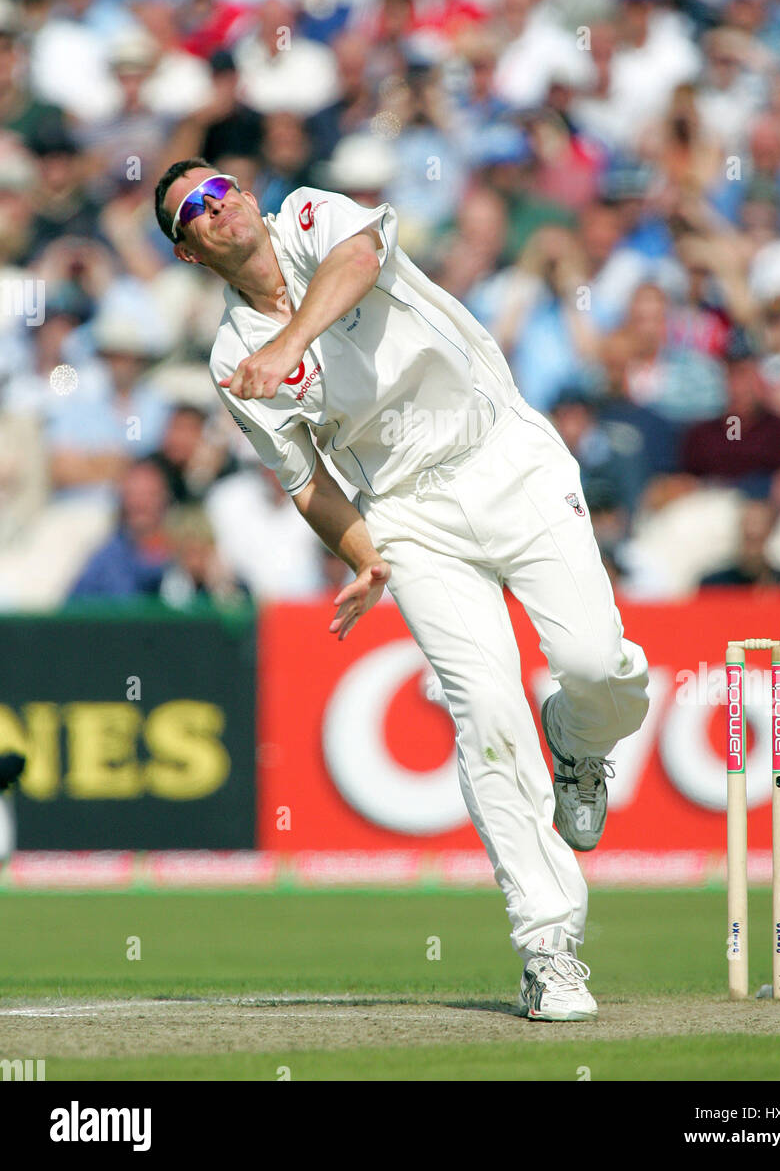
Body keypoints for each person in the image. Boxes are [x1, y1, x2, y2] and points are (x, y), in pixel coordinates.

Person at [153, 159, 651, 1021]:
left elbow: (358, 264)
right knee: (485, 715)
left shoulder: (309, 216)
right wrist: (361, 555)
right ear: (188, 251)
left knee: (595, 664)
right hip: (408, 515)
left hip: (507, 457)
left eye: (219, 186)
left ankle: (575, 738)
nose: (216, 204)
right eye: (191, 210)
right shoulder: (231, 354)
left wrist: (291, 343)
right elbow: (304, 480)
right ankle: (548, 949)